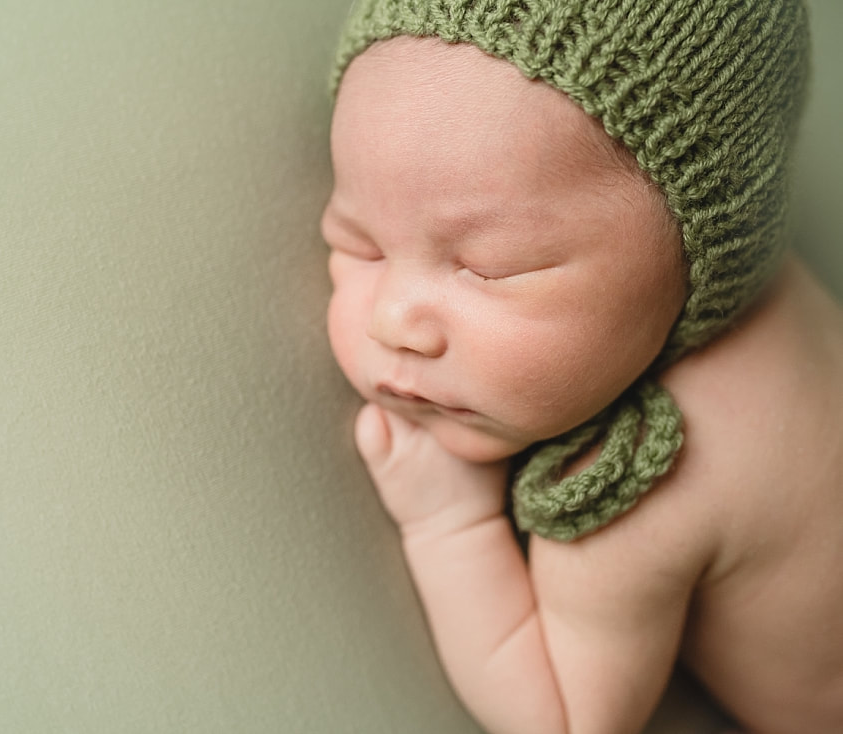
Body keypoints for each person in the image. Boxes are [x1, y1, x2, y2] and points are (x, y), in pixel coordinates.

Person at [320, 1, 843, 732]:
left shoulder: (645, 479)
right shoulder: (759, 278)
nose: (393, 322)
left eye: (489, 268)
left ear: (701, 250)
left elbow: (563, 720)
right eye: (357, 243)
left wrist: (450, 523)